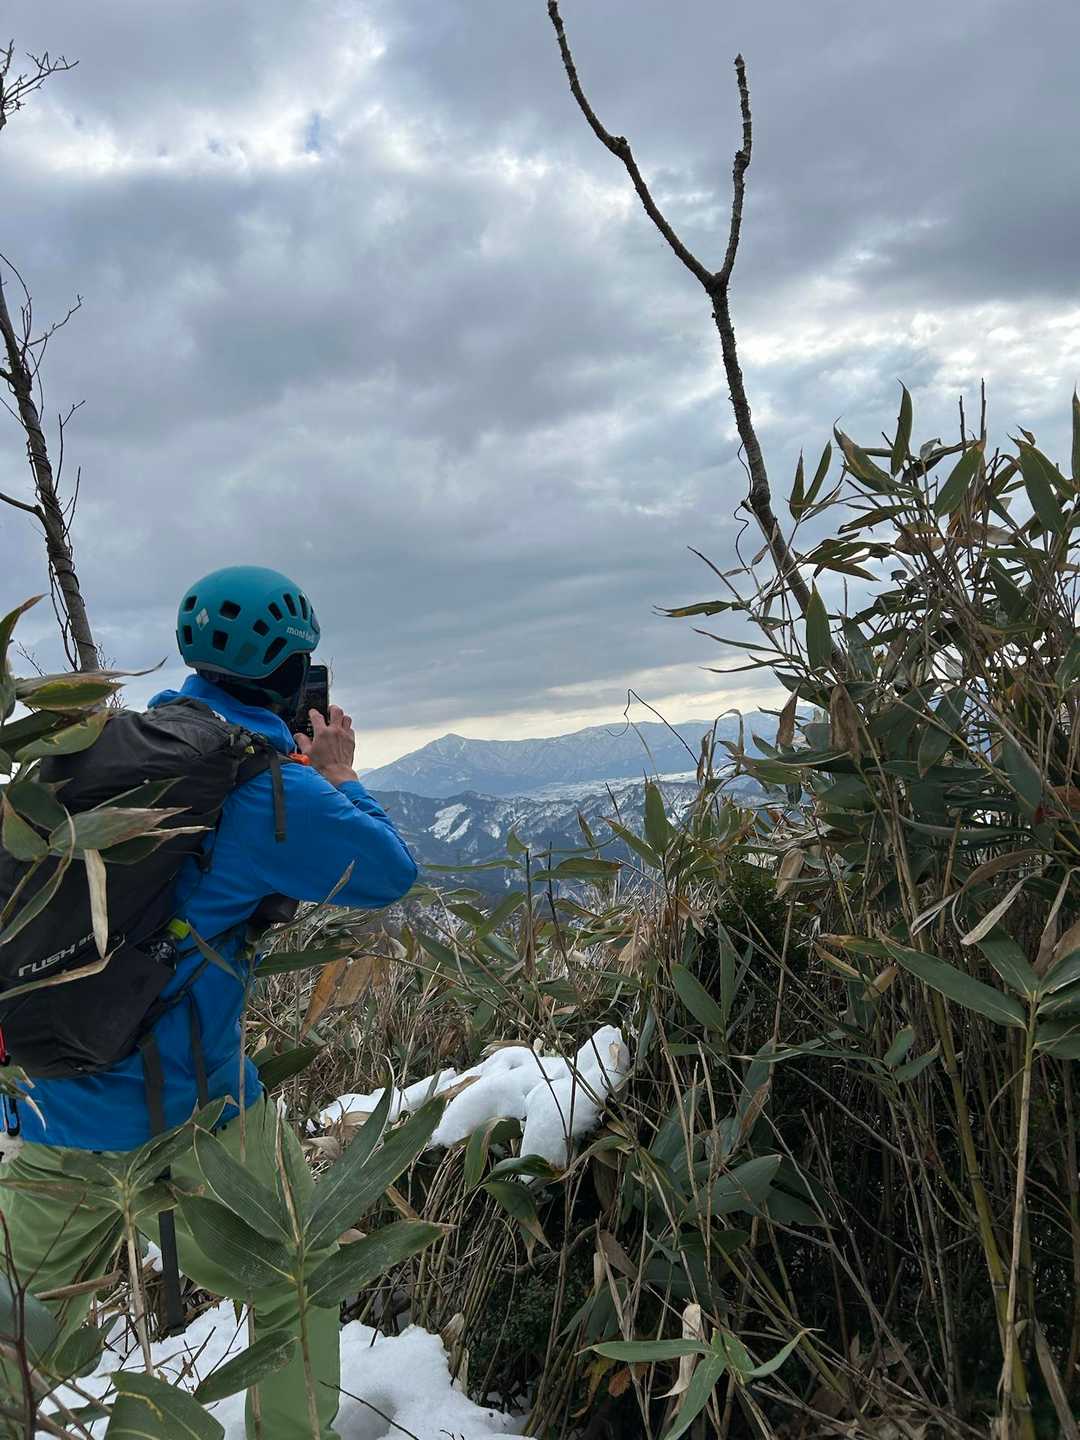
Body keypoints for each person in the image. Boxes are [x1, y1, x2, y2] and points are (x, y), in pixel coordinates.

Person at [0, 565, 418, 1440]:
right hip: (201, 1118)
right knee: (301, 1273)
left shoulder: (91, 752)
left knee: (16, 1336)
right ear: (293, 674)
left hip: (50, 1105)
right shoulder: (269, 791)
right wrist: (339, 773)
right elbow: (388, 873)